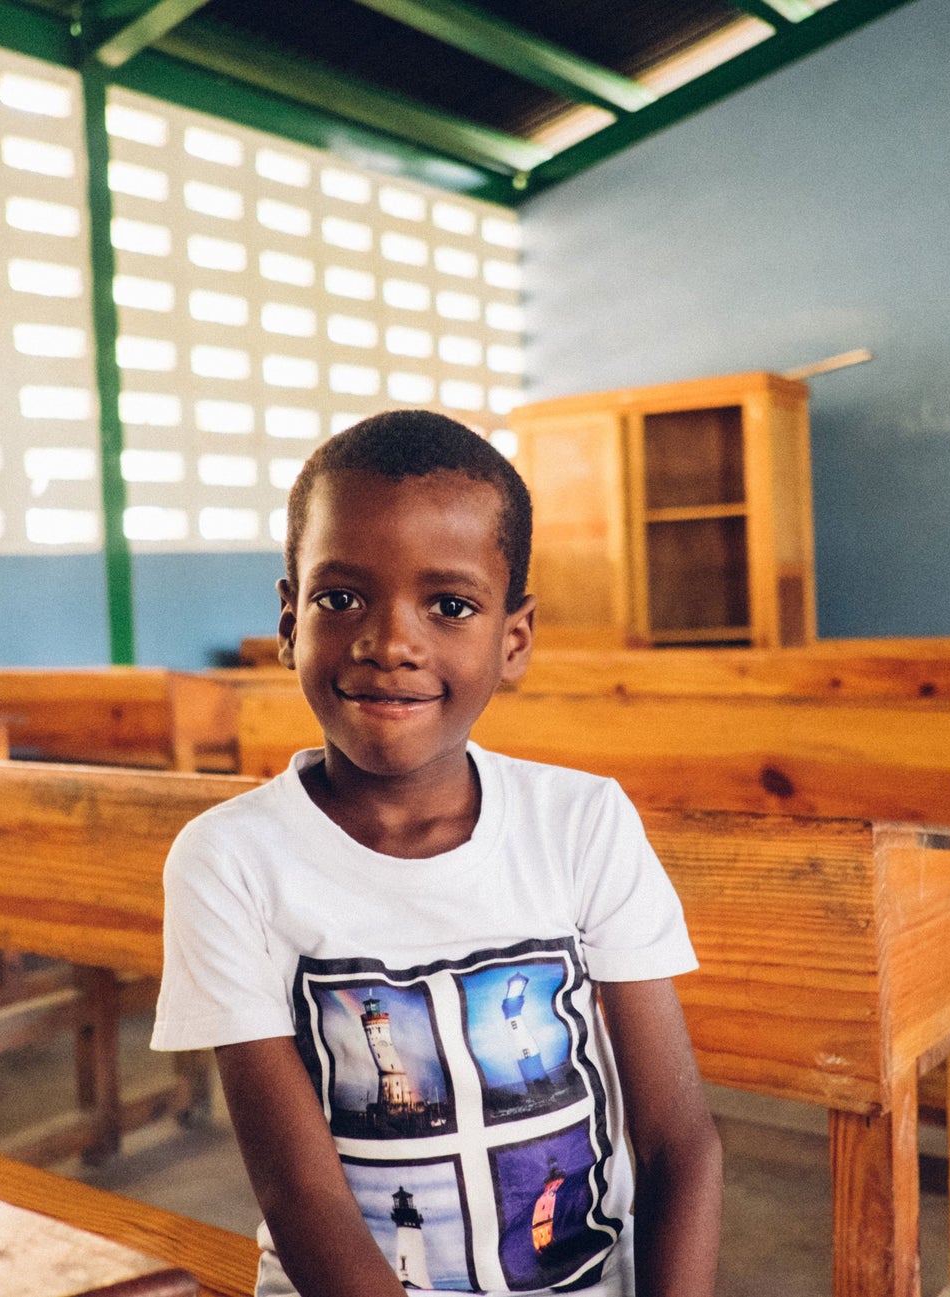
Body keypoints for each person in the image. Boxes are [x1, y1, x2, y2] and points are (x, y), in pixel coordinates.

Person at [153, 410, 722, 1296]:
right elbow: (302, 1196)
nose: (391, 642)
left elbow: (677, 1141)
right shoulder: (230, 860)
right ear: (288, 618)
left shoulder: (581, 823)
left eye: (448, 605)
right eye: (339, 598)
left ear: (514, 637)